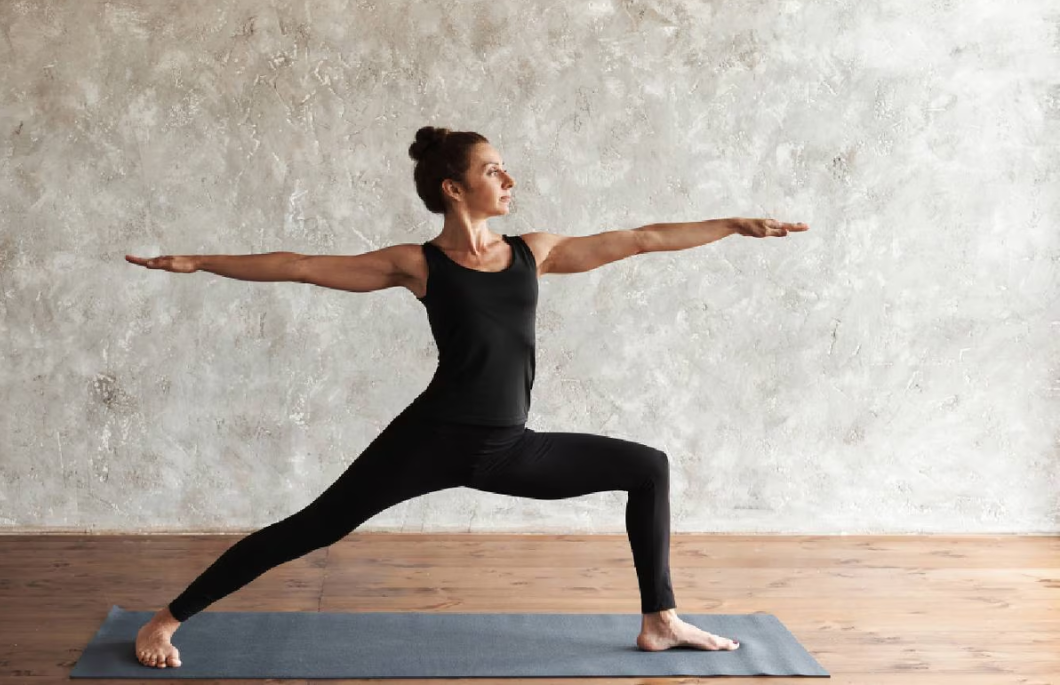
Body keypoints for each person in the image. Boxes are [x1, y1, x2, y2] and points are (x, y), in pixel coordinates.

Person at [124, 126, 810, 668]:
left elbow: (639, 240)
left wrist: (731, 223)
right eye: (492, 170)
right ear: (454, 189)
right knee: (313, 527)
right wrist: (198, 261)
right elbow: (301, 266)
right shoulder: (418, 264)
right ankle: (168, 617)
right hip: (430, 439)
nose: (508, 178)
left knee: (647, 466)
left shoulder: (531, 252)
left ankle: (659, 620)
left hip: (508, 448)